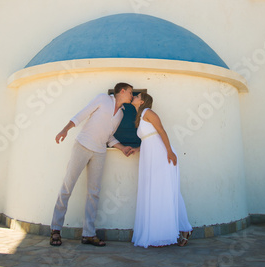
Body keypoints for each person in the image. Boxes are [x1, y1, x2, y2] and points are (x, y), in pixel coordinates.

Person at [50, 82, 134, 247]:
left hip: (100, 152)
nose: (132, 96)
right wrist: (65, 129)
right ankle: (55, 230)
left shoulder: (121, 115)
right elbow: (81, 115)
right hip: (82, 146)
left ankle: (88, 234)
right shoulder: (103, 99)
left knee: (93, 193)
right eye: (131, 93)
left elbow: (109, 137)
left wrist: (122, 148)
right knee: (68, 186)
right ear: (122, 91)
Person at [131, 92, 193, 248]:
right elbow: (148, 138)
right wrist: (137, 149)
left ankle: (184, 229)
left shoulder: (149, 112)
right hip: (150, 157)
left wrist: (169, 152)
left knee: (165, 190)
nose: (134, 97)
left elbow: (161, 131)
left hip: (161, 155)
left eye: (136, 96)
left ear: (142, 101)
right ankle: (161, 232)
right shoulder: (140, 116)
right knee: (154, 191)